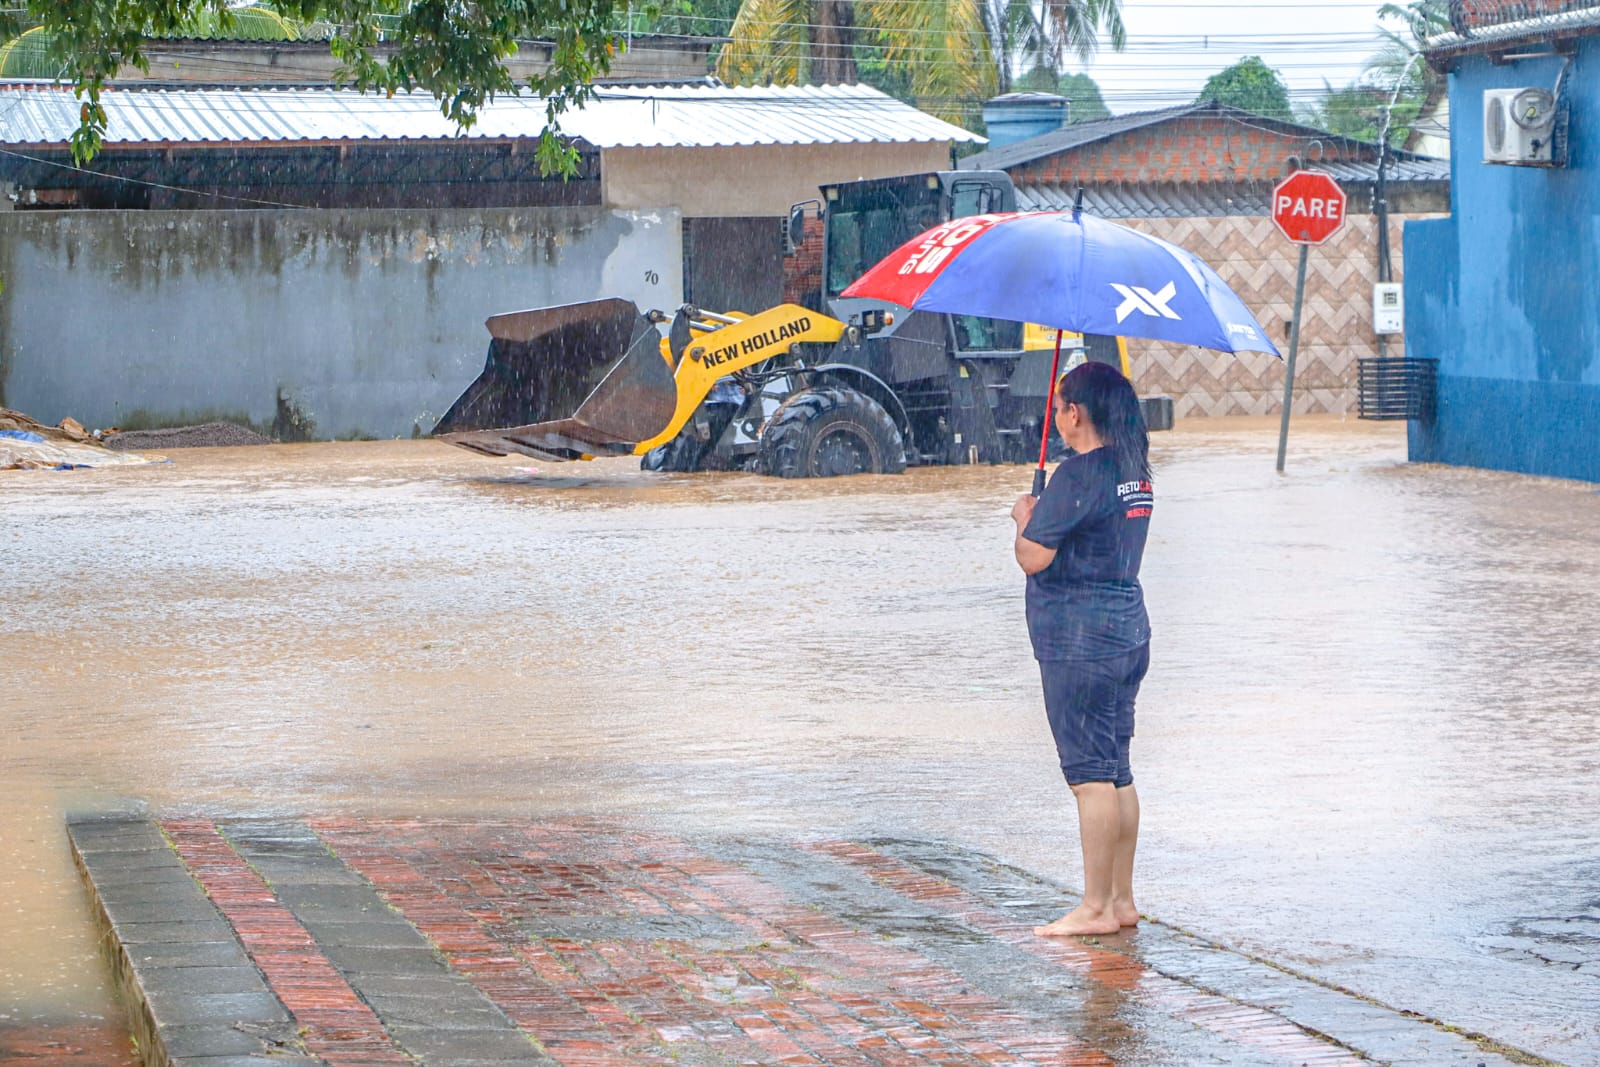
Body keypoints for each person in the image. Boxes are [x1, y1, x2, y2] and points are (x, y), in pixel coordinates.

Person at [1009, 361, 1153, 937]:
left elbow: (1032, 556)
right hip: (1127, 635)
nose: (1057, 418)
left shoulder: (1077, 475)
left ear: (1075, 413)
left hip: (1079, 642)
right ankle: (1121, 901)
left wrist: (1025, 518)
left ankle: (1093, 909)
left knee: (1089, 778)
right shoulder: (1134, 471)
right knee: (1117, 772)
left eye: (1061, 407)